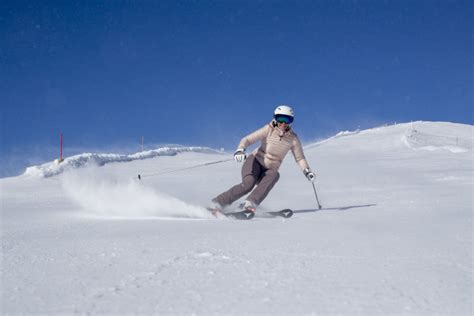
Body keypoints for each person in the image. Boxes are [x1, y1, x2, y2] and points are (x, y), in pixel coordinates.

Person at [209, 105, 315, 214]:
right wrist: (240, 150)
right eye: (280, 119)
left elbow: (300, 158)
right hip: (255, 162)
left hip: (268, 171)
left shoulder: (293, 138)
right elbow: (247, 139)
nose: (283, 123)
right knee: (248, 183)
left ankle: (250, 204)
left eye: (287, 120)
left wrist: (307, 171)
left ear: (291, 122)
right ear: (275, 119)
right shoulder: (268, 129)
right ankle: (217, 203)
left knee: (275, 175)